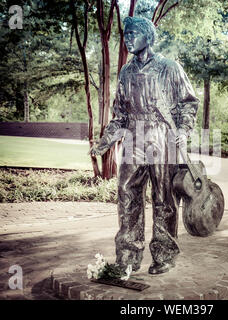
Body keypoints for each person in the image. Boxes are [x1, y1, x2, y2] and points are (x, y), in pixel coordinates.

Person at [91, 16, 199, 275]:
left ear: (148, 37)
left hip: (162, 137)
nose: (127, 39)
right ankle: (127, 256)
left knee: (163, 198)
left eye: (133, 34)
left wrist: (183, 130)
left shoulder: (170, 68)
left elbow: (188, 102)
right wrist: (105, 142)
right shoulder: (126, 72)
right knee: (127, 195)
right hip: (133, 139)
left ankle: (164, 254)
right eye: (125, 34)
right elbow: (120, 114)